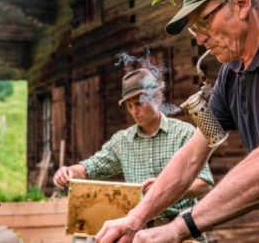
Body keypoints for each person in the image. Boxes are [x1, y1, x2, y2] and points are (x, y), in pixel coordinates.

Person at [94, 0, 259, 243]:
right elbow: (193, 155)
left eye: (204, 22)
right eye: (194, 31)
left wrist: (178, 228)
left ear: (240, 3)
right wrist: (135, 218)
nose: (201, 39)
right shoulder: (231, 74)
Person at [53, 68, 214, 242]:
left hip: (182, 232)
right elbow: (90, 167)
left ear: (157, 98)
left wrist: (166, 190)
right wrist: (69, 172)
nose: (134, 111)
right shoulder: (122, 141)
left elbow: (204, 185)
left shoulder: (184, 133)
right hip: (139, 234)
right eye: (129, 106)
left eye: (138, 103)